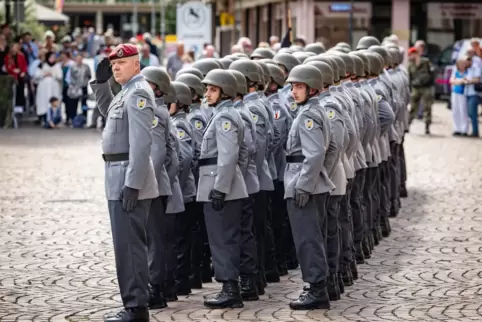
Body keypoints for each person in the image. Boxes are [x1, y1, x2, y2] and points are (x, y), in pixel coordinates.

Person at [90, 44, 159, 322]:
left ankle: (136, 307)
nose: (116, 67)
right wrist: (100, 83)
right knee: (124, 246)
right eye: (113, 64)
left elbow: (142, 144)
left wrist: (133, 184)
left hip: (128, 179)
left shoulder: (139, 92)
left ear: (136, 65)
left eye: (122, 63)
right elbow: (110, 112)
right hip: (117, 176)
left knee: (130, 247)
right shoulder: (126, 92)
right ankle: (133, 303)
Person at [284, 64, 334, 310]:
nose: (294, 91)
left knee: (308, 240)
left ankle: (316, 290)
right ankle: (316, 286)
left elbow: (314, 155)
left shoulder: (308, 115)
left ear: (312, 89)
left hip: (305, 186)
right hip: (313, 184)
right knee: (313, 238)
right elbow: (330, 149)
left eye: (299, 86)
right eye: (293, 86)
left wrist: (303, 185)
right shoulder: (313, 110)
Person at [198, 69, 248, 309]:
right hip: (221, 183)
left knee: (223, 240)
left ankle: (230, 289)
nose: (207, 93)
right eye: (207, 88)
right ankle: (229, 286)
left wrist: (220, 188)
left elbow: (229, 156)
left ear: (225, 91)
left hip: (220, 186)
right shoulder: (222, 114)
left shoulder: (225, 117)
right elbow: (244, 153)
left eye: (213, 89)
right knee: (221, 238)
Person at [139, 66, 172, 310]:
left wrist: (140, 179)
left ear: (157, 88)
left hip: (152, 185)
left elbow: (158, 154)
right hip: (151, 183)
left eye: (147, 83)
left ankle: (155, 288)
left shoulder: (155, 115)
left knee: (153, 240)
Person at [407, 46, 434, 134]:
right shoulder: (410, 65)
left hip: (426, 88)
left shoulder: (426, 62)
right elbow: (409, 78)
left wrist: (430, 83)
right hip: (416, 88)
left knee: (427, 107)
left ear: (415, 54)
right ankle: (408, 125)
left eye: (411, 55)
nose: (409, 57)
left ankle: (427, 126)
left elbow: (432, 73)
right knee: (413, 108)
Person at [34, 52, 62, 126]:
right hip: (44, 87)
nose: (52, 59)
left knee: (53, 102)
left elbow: (60, 76)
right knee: (43, 102)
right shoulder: (42, 65)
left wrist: (52, 74)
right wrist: (44, 74)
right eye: (51, 57)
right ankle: (43, 117)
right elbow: (36, 75)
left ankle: (54, 119)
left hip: (54, 87)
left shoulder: (57, 65)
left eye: (53, 57)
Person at [449, 59, 469, 136]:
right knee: (455, 111)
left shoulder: (467, 72)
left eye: (463, 64)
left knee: (463, 111)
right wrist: (460, 81)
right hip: (455, 93)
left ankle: (464, 129)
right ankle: (456, 128)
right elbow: (451, 81)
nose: (461, 66)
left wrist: (457, 81)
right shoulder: (456, 72)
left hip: (463, 93)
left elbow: (466, 81)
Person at [464, 55, 481, 137]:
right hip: (467, 93)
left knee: (472, 113)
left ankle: (475, 132)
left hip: (474, 94)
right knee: (470, 113)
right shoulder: (467, 70)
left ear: (470, 61)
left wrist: (468, 81)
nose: (466, 63)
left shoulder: (476, 68)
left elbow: (477, 79)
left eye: (467, 61)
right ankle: (474, 130)